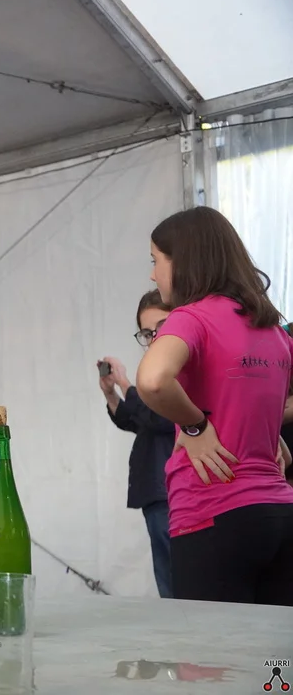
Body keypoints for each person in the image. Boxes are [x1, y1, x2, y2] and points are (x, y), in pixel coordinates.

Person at [136, 206, 293, 605]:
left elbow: (152, 380)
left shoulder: (190, 318)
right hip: (280, 513)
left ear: (183, 261)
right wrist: (268, 434)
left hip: (212, 513)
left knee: (211, 646)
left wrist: (195, 426)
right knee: (275, 644)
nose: (153, 275)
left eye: (156, 261)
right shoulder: (272, 328)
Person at [98, 289, 175, 598]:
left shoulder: (180, 371)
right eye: (147, 333)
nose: (155, 338)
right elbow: (138, 422)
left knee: (176, 579)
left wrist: (124, 383)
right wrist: (111, 394)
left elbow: (160, 418)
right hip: (157, 491)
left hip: (172, 490)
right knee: (167, 577)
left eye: (162, 326)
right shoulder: (156, 372)